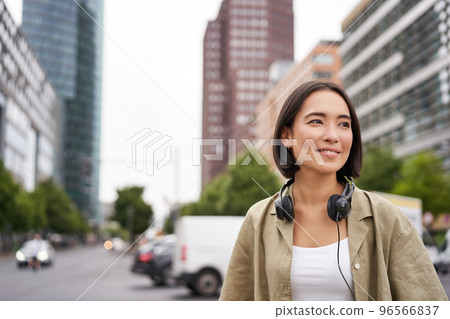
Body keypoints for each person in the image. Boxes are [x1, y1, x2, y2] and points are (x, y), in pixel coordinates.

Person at [219, 81, 447, 301]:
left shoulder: (386, 218)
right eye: (317, 121)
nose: (333, 135)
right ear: (286, 136)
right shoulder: (258, 220)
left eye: (344, 124)